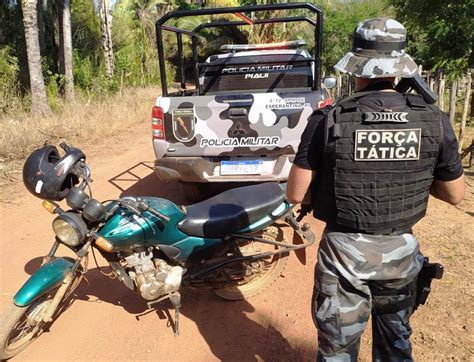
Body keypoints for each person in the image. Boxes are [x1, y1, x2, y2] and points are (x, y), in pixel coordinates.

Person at [287, 18, 465, 361]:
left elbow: (295, 194)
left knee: (338, 350)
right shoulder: (433, 119)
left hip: (343, 255)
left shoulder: (328, 118)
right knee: (396, 345)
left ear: (358, 66)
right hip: (400, 253)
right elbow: (455, 194)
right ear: (399, 68)